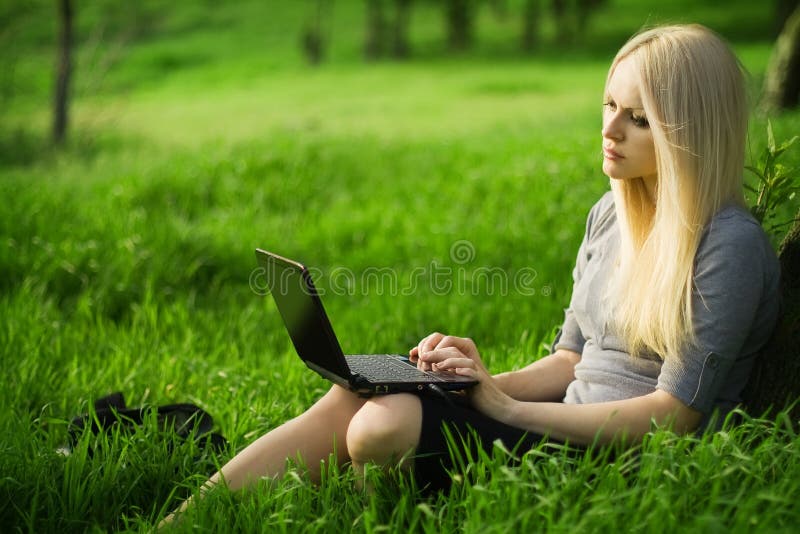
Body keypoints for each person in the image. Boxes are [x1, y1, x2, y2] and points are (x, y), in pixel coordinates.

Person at [161, 23, 781, 524]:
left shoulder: (728, 246)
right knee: (361, 390)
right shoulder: (610, 214)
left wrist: (505, 408)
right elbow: (570, 359)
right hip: (556, 420)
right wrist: (470, 381)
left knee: (384, 422)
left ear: (688, 134)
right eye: (609, 104)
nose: (608, 130)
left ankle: (365, 511)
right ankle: (185, 521)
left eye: (638, 119)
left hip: (612, 460)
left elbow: (674, 417)